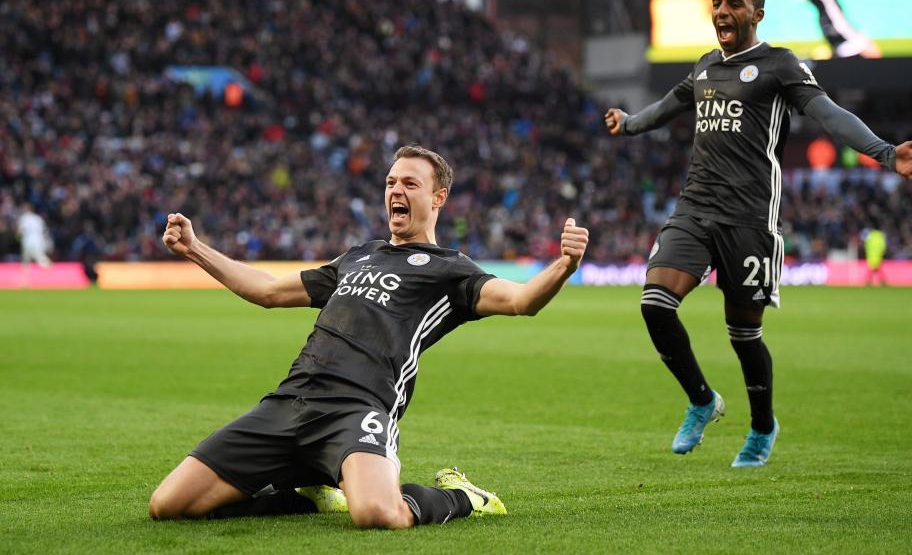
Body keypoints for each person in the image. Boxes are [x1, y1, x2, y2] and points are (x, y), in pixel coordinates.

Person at [148, 144, 590, 528]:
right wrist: (195, 248)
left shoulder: (450, 270)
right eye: (391, 182)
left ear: (439, 198)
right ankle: (301, 497)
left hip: (357, 410)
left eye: (410, 184)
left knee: (379, 515)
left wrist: (562, 266)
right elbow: (266, 290)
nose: (396, 191)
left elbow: (521, 301)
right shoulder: (358, 257)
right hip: (290, 402)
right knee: (168, 505)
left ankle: (463, 496)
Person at [604, 0, 912, 467]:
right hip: (695, 210)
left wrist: (887, 154)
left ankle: (762, 427)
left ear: (757, 14)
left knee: (744, 336)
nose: (721, 11)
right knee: (655, 304)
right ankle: (701, 400)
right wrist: (628, 123)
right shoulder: (703, 68)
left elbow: (829, 115)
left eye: (734, 4)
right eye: (717, 3)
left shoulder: (779, 65)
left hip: (751, 221)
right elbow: (665, 109)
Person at [17, 203, 52, 269]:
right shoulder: (38, 218)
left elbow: (20, 232)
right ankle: (49, 269)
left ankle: (49, 269)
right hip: (39, 241)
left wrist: (18, 239)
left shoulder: (23, 218)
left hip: (28, 242)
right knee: (35, 258)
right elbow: (45, 231)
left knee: (28, 259)